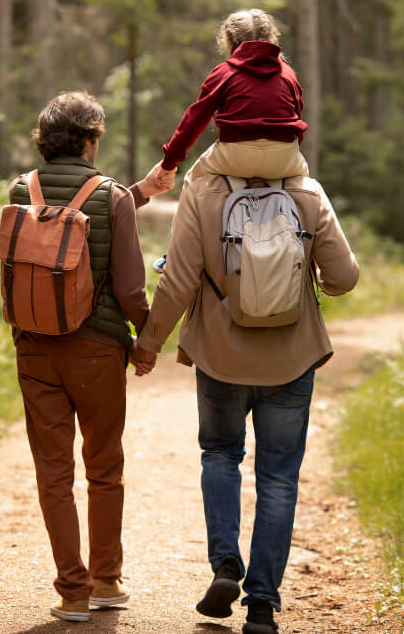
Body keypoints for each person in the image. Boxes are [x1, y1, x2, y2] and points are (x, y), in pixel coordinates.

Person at [130, 171, 359, 634]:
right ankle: (262, 606)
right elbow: (344, 277)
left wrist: (149, 342)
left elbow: (176, 281)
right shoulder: (309, 193)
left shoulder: (203, 192)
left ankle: (225, 568)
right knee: (278, 478)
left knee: (219, 454)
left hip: (220, 356)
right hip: (291, 358)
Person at [9, 90, 170, 623]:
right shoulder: (111, 195)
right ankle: (106, 579)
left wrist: (142, 190)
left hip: (33, 348)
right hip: (97, 352)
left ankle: (71, 592)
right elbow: (129, 287)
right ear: (88, 138)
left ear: (45, 139)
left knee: (52, 473)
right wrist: (145, 339)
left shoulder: (20, 189)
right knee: (103, 468)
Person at [148, 8, 309, 274]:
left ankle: (174, 255)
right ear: (272, 39)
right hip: (284, 156)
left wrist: (169, 163)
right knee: (307, 192)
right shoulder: (288, 74)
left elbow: (194, 121)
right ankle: (313, 259)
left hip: (234, 155)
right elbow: (296, 117)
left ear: (230, 42)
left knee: (192, 182)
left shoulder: (224, 72)